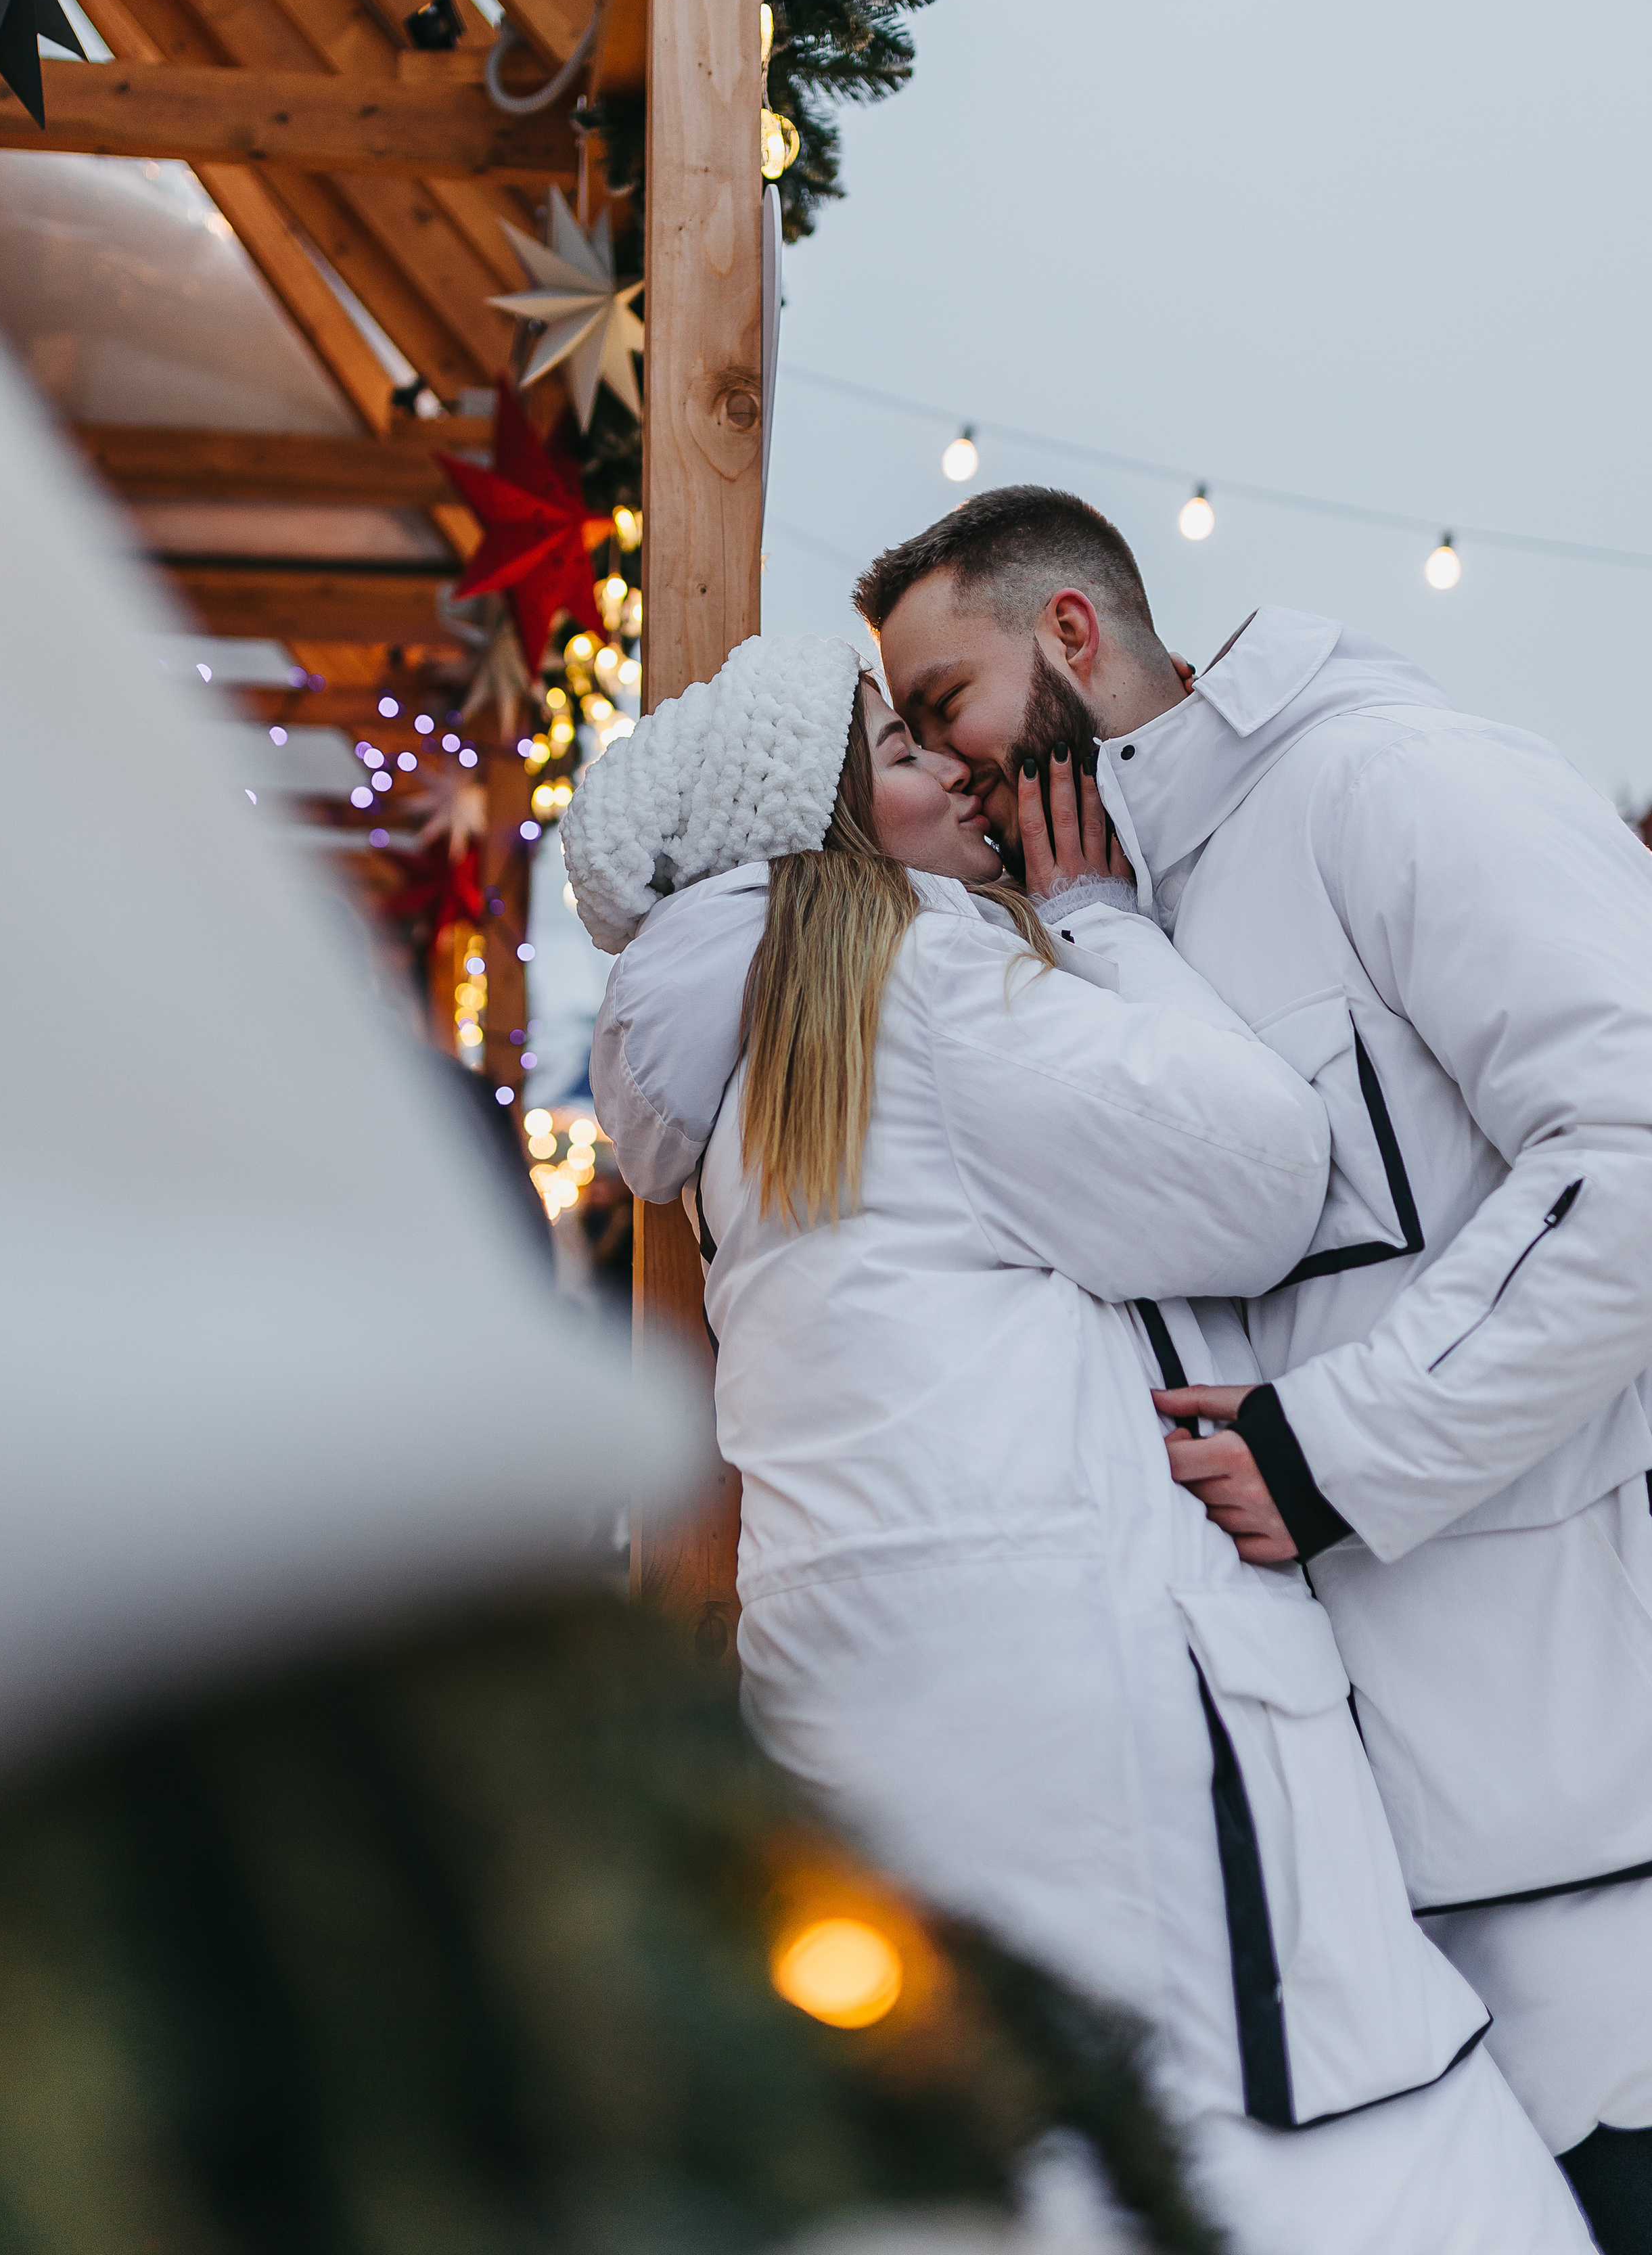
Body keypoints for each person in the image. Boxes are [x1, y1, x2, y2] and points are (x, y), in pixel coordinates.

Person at [561, 631, 1591, 2255]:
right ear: (827, 829)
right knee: (1262, 2134)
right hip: (1085, 1707)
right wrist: (1105, 926)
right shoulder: (920, 969)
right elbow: (1253, 1174)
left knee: (1005, 2144)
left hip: (880, 1686)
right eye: (899, 757)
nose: (952, 775)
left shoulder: (750, 1049)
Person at [862, 482, 1652, 2254]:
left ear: (1071, 634)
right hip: (1370, 1889)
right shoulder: (1117, 913)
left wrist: (1329, 1452)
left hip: (1592, 1838)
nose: (945, 761)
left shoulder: (1391, 785)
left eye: (941, 708)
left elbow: (1635, 1157)